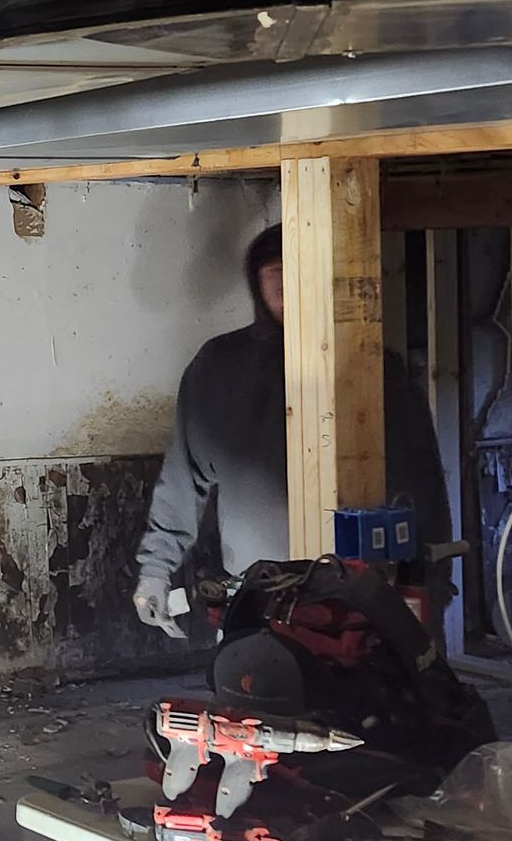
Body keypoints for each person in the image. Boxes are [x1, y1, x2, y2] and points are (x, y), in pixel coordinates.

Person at [133, 221, 450, 636]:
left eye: (296, 267)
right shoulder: (219, 369)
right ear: (256, 281)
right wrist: (155, 572)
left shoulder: (374, 369)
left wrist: (433, 581)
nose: (284, 281)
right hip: (260, 597)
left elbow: (421, 482)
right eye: (274, 269)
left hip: (364, 599)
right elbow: (181, 480)